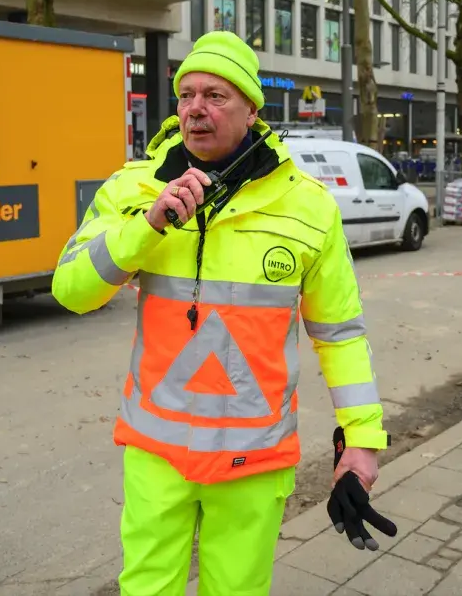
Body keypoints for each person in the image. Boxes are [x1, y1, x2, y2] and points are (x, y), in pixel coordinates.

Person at [51, 31, 395, 596]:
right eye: (186, 95)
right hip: (156, 453)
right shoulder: (133, 189)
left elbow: (339, 335)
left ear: (252, 109)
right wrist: (148, 227)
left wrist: (361, 441)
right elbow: (70, 290)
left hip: (254, 461)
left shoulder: (307, 206)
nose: (195, 109)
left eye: (215, 95)